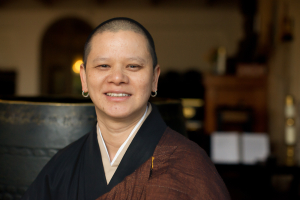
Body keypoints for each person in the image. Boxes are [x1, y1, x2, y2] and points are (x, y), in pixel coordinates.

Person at [21, 17, 230, 200]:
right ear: (84, 79)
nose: (118, 78)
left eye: (133, 66)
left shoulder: (190, 166)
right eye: (103, 66)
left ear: (155, 79)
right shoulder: (62, 166)